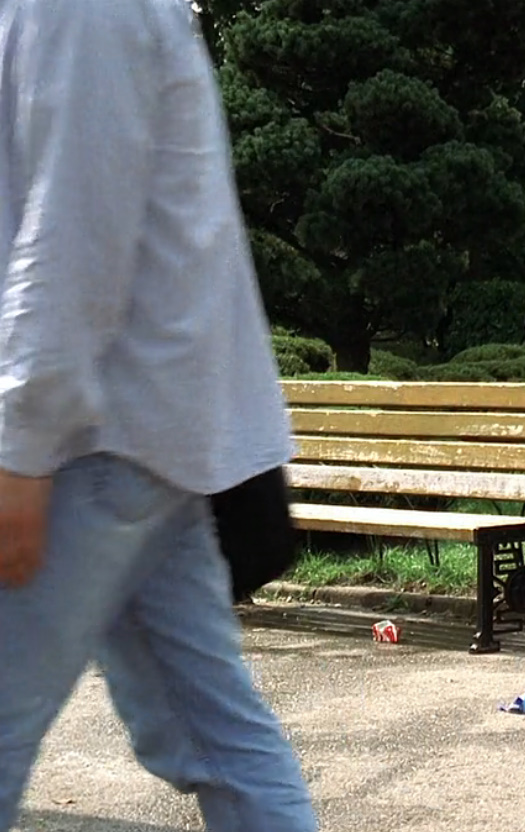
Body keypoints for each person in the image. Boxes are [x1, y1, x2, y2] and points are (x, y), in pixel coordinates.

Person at [0, 1, 318, 829]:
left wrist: (21, 448)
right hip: (142, 439)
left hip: (89, 439)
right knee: (214, 736)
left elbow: (75, 232)